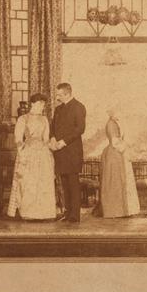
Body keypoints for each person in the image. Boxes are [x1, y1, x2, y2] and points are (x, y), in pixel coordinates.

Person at [7, 93, 58, 220]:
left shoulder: (44, 119)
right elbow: (18, 139)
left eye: (43, 104)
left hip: (43, 153)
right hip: (28, 152)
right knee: (28, 182)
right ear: (33, 104)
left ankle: (44, 214)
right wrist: (22, 153)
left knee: (43, 182)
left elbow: (45, 138)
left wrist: (52, 146)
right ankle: (28, 213)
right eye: (40, 104)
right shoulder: (23, 119)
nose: (42, 107)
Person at [49, 83, 86, 223]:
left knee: (73, 184)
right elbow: (53, 127)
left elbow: (80, 129)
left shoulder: (79, 107)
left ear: (67, 94)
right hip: (59, 152)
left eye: (59, 95)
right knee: (64, 184)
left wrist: (63, 142)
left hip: (72, 152)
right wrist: (53, 138)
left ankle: (74, 215)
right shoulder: (58, 109)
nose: (57, 97)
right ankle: (67, 212)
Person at [96, 107, 140, 218]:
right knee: (115, 181)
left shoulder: (115, 123)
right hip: (114, 155)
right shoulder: (111, 124)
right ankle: (115, 211)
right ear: (112, 113)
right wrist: (127, 151)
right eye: (117, 111)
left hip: (117, 154)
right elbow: (115, 142)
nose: (119, 114)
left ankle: (120, 210)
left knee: (117, 181)